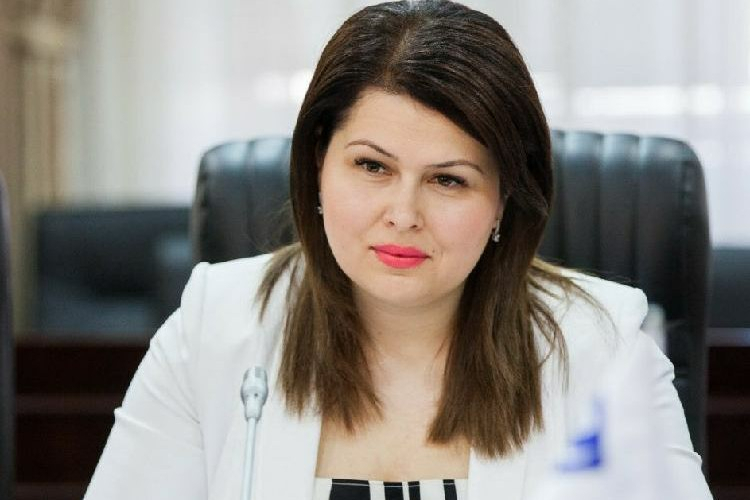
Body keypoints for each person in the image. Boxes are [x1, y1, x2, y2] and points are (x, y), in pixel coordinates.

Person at [84, 1, 712, 499]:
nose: (404, 214)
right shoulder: (215, 325)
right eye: (372, 167)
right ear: (318, 166)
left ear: (503, 200)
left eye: (449, 180)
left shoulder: (601, 348)